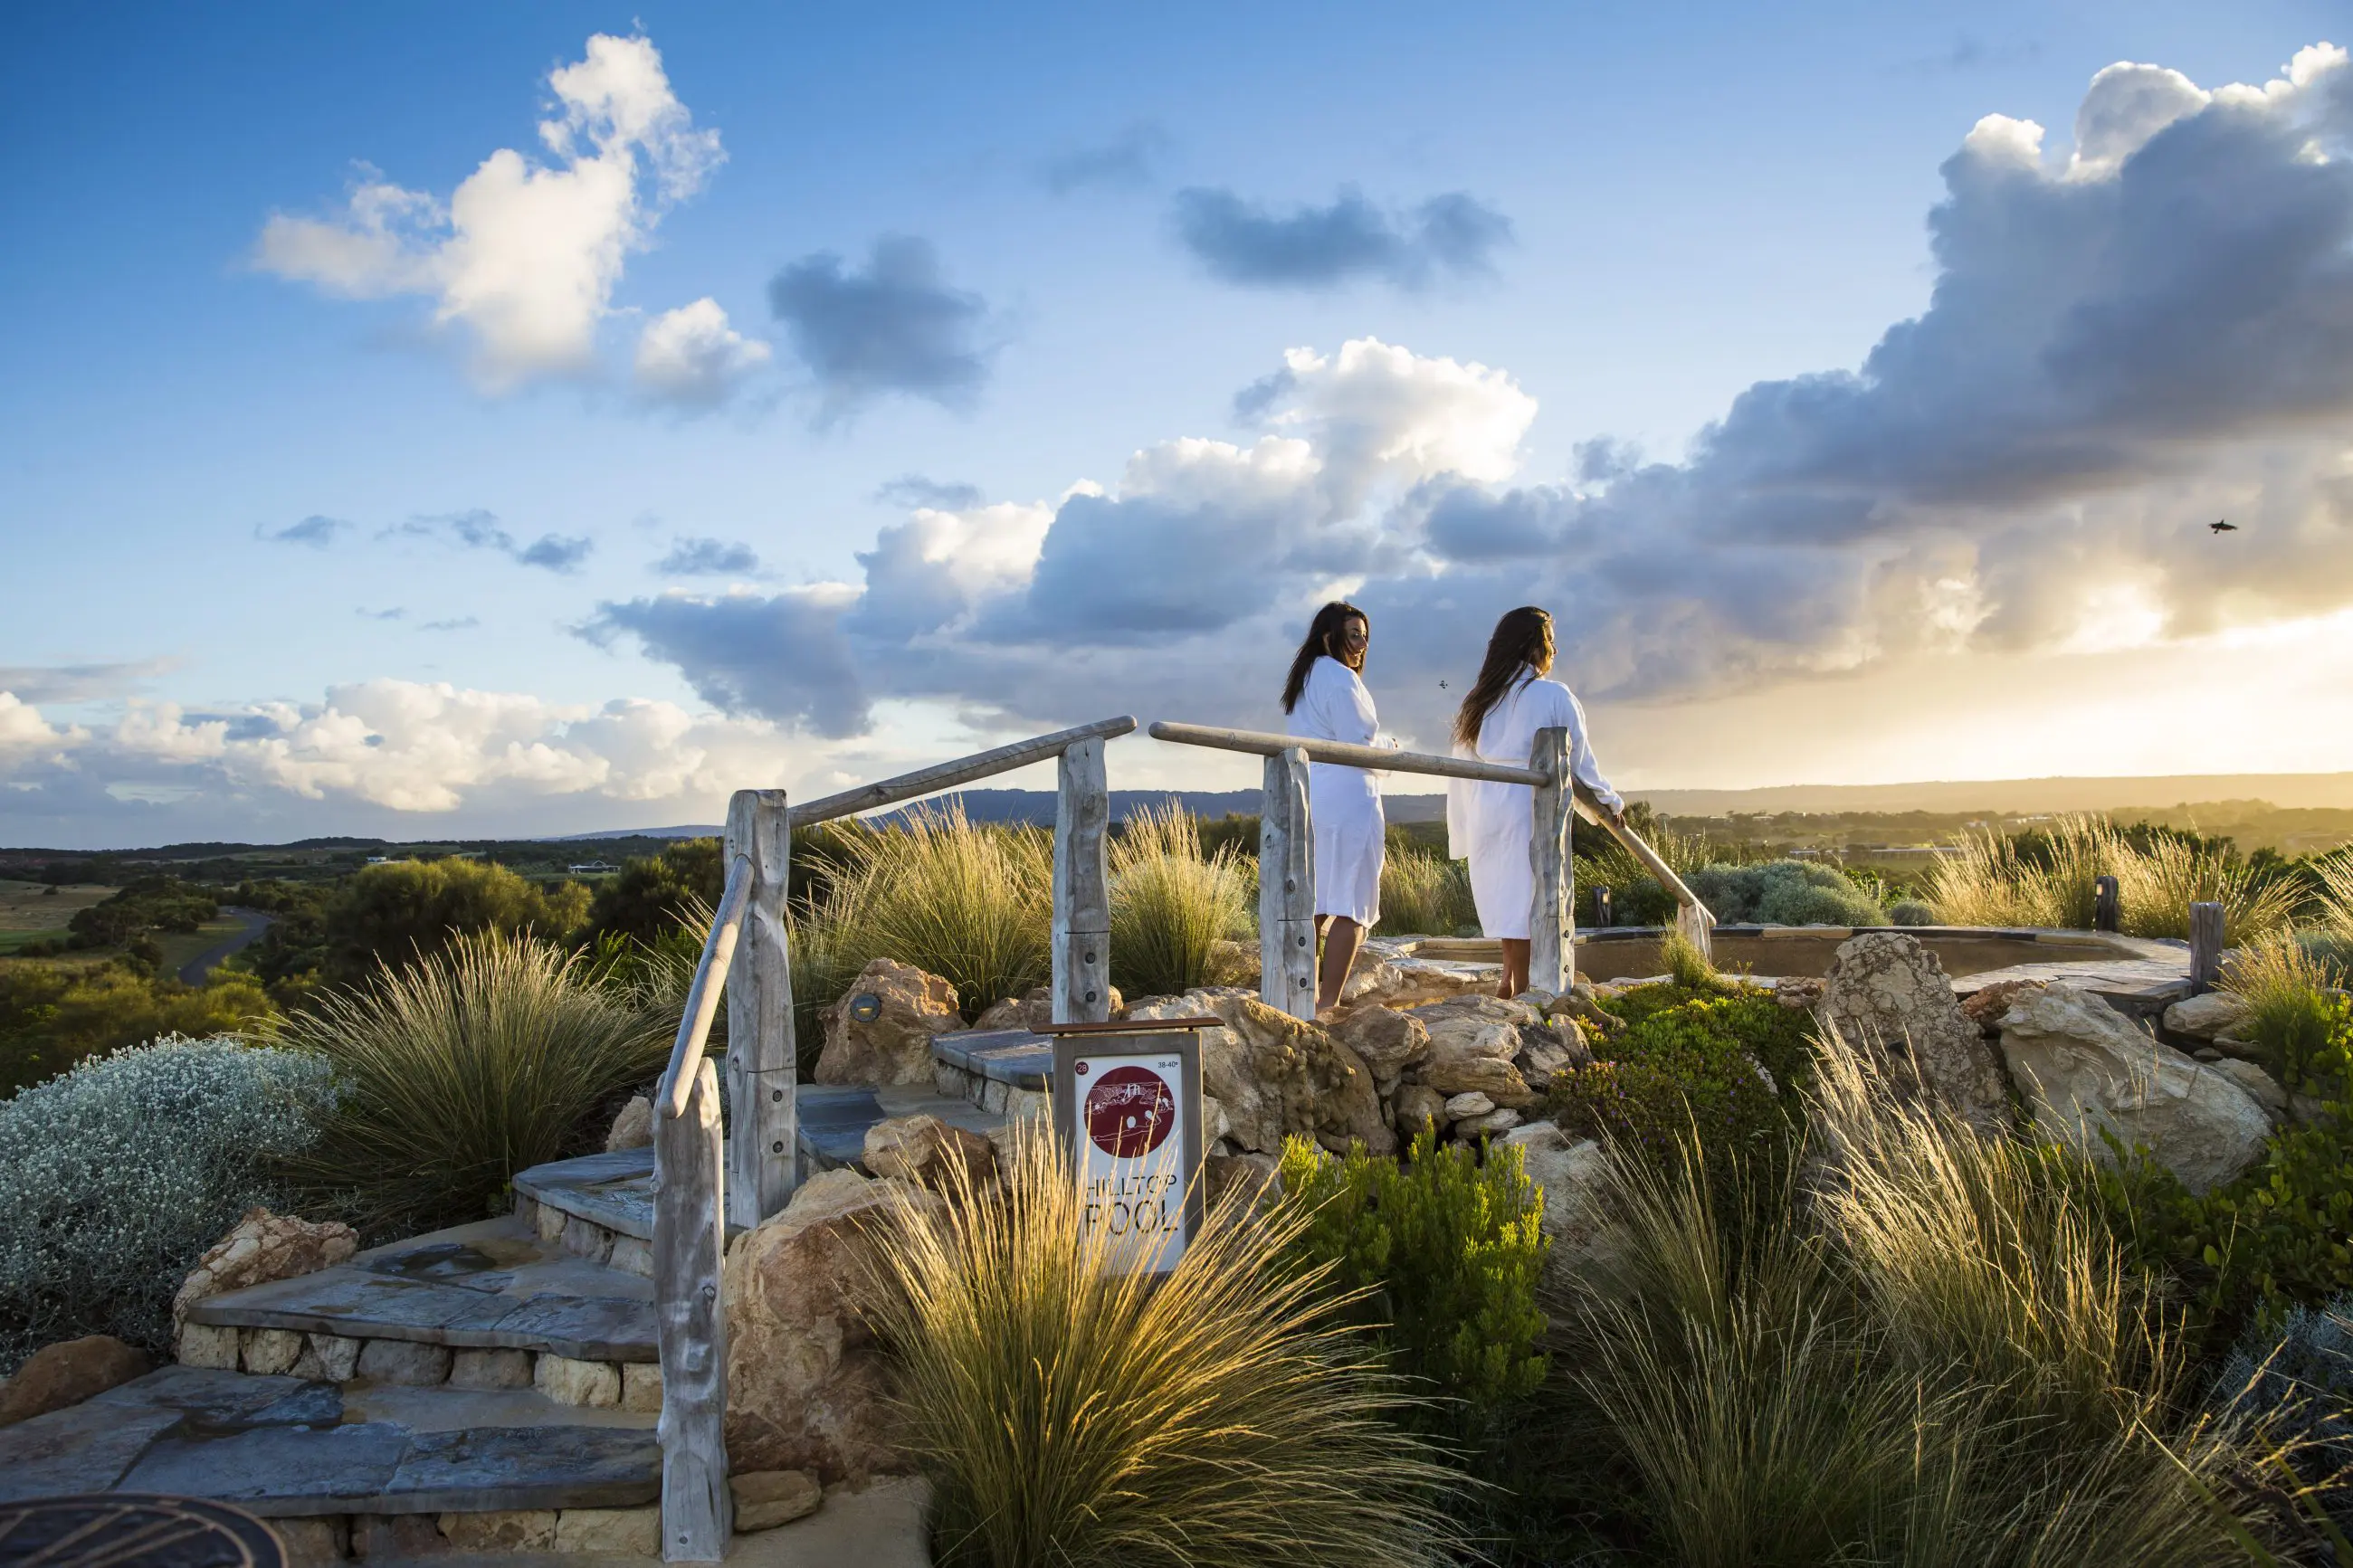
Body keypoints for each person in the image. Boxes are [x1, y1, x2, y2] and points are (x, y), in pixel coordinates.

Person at [1445, 606, 1624, 999]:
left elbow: (1463, 766)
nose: (1555, 651)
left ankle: (1508, 981)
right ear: (1533, 646)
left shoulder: (1480, 701)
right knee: (1527, 899)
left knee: (1506, 901)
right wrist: (1608, 803)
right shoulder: (1553, 695)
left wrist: (1461, 828)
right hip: (1529, 807)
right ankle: (1524, 990)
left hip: (1487, 806)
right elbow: (1581, 763)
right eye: (1551, 642)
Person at [1281, 601, 1394, 1017]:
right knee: (1352, 901)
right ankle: (1329, 1003)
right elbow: (1359, 747)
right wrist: (1390, 750)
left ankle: (1299, 997)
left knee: (1316, 901)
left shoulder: (1305, 678)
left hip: (1315, 795)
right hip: (1348, 797)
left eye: (1365, 635)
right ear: (1330, 637)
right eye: (1354, 634)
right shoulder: (1342, 679)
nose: (1362, 644)